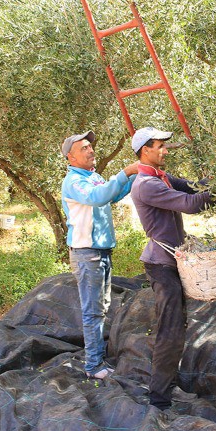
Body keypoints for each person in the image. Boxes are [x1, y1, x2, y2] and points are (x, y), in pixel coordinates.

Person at [129, 126, 213, 411]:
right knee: (170, 329)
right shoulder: (146, 184)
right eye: (160, 146)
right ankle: (159, 398)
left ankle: (166, 384)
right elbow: (191, 203)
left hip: (172, 261)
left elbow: (192, 187)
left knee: (177, 325)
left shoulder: (160, 177)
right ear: (145, 151)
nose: (165, 151)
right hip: (161, 266)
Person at [61, 130, 139, 380]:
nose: (91, 150)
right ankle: (94, 365)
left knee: (102, 306)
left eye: (90, 146)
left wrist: (135, 176)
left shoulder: (93, 177)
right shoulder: (74, 182)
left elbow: (112, 195)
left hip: (101, 251)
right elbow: (98, 197)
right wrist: (126, 172)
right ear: (71, 158)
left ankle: (98, 357)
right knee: (92, 311)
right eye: (83, 148)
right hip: (87, 254)